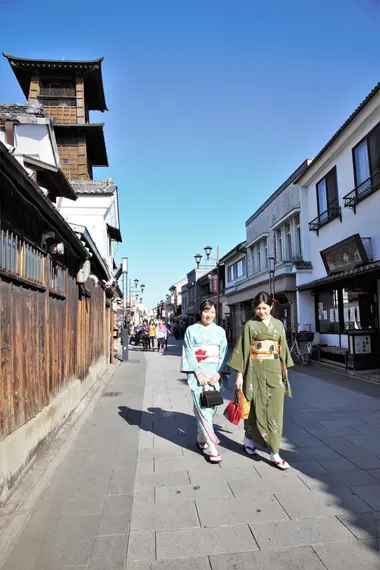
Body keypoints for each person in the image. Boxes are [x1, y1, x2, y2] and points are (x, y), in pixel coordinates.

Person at [228, 291, 294, 470]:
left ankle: (275, 452)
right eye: (258, 308)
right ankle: (248, 442)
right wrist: (239, 376)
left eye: (265, 308)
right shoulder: (250, 325)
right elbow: (243, 350)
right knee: (253, 408)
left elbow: (283, 350)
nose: (262, 312)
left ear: (271, 307)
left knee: (275, 412)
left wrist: (285, 375)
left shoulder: (278, 325)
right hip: (254, 372)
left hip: (274, 373)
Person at [180, 300, 228, 463]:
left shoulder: (220, 331)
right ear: (200, 312)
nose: (209, 315)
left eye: (212, 312)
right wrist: (198, 373)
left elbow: (223, 353)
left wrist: (218, 373)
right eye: (206, 311)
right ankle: (212, 447)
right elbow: (188, 351)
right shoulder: (191, 330)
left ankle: (201, 438)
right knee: (202, 409)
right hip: (197, 374)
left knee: (211, 409)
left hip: (214, 373)